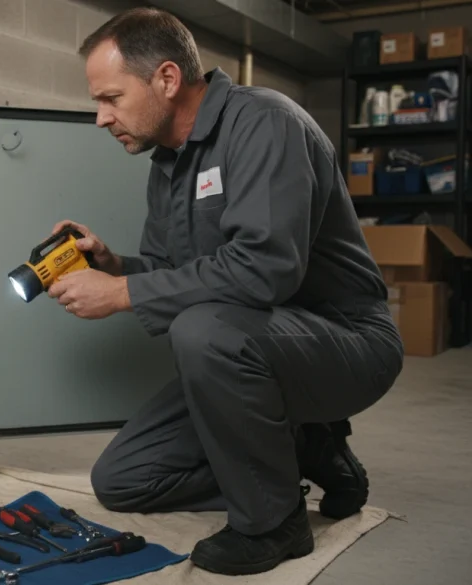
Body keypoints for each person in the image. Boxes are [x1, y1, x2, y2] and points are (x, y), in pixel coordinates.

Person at [46, 7, 404, 576]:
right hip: (251, 344)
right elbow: (171, 269)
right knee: (124, 479)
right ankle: (308, 449)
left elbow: (264, 271)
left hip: (347, 341)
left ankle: (276, 522)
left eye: (111, 98)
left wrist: (121, 295)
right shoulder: (167, 162)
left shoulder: (266, 124)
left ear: (166, 78)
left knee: (203, 328)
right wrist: (117, 267)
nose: (100, 117)